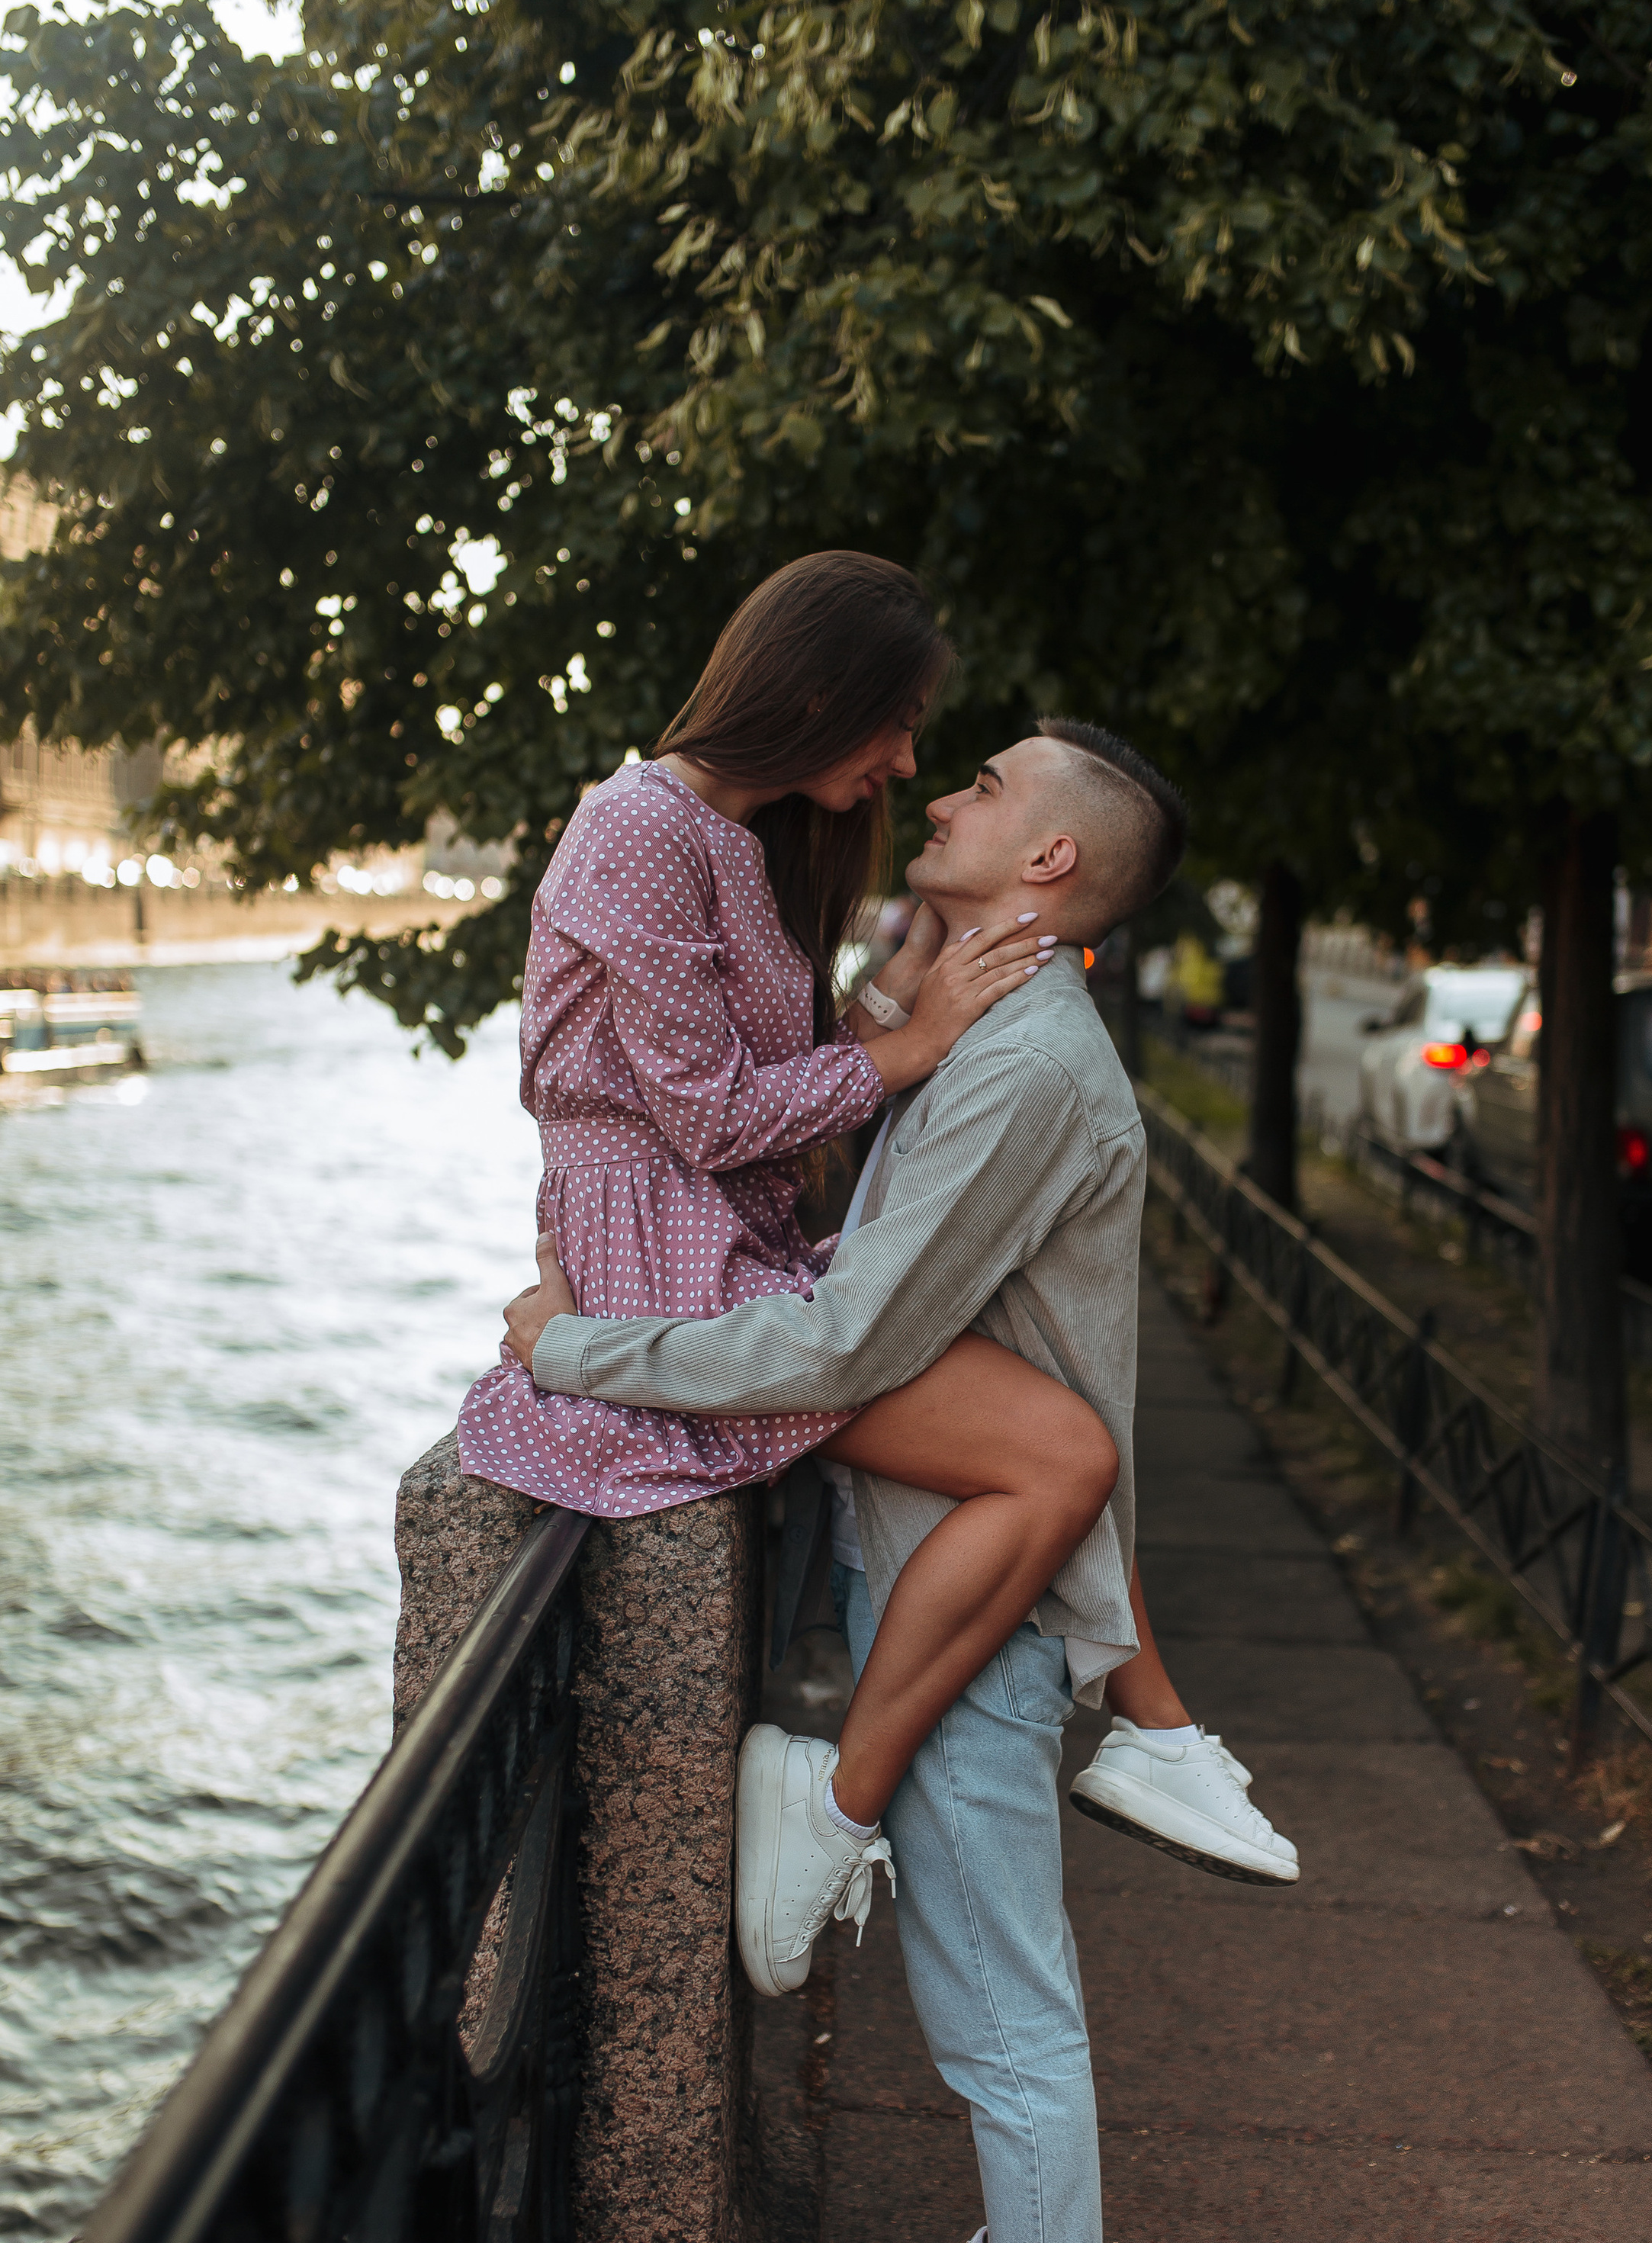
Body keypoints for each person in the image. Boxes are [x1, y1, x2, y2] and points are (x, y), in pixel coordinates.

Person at [500, 720, 1297, 2243]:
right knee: (982, 1979)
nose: (937, 794)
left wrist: (575, 1352)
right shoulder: (975, 1010)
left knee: (1005, 2008)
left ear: (1048, 869)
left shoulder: (1026, 1068)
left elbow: (844, 1345)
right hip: (950, 1553)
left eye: (984, 790)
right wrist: (896, 982)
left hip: (980, 1590)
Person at [467, 552, 1290, 2007]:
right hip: (664, 1245)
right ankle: (872, 1797)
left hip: (723, 1229)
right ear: (820, 696)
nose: (910, 764)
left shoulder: (721, 839)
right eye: (901, 725)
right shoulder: (638, 829)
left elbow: (765, 1068)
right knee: (1057, 1449)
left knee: (1057, 1429)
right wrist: (904, 1046)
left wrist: (910, 975)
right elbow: (716, 1113)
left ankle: (1142, 1732)